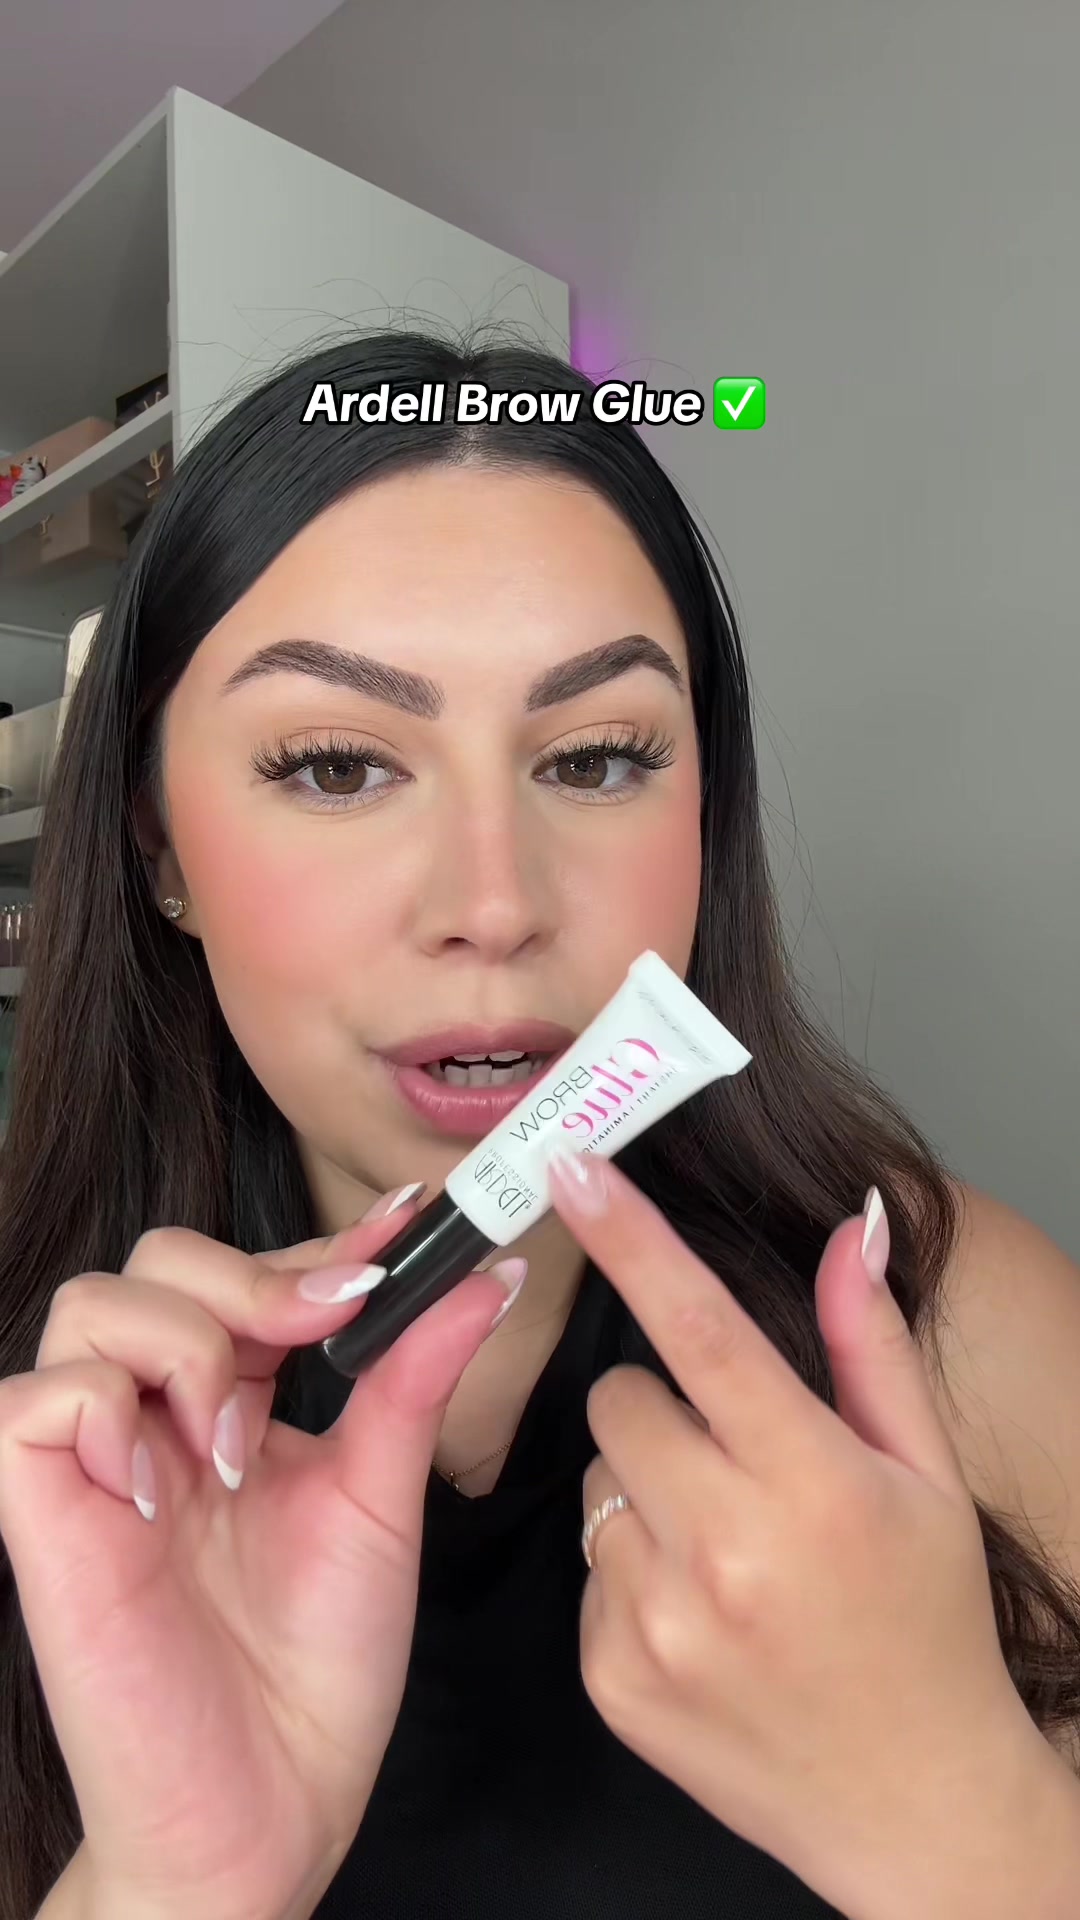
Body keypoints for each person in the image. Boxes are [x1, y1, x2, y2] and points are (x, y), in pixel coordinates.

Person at [1, 327, 1079, 1920]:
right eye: (336, 766)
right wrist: (169, 1886)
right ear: (160, 850)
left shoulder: (957, 1323)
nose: (495, 903)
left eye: (595, 758)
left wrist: (966, 1829)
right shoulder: (52, 1441)